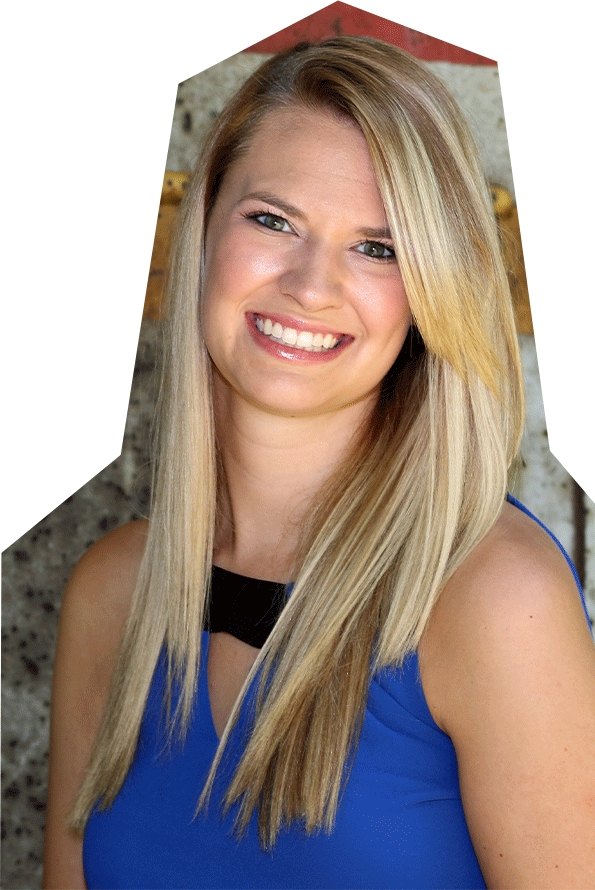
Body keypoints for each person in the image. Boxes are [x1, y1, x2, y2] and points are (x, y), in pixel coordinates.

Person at [43, 37, 595, 889]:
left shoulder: (492, 600)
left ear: (430, 292)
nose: (310, 285)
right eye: (273, 220)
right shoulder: (113, 591)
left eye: (378, 247)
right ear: (202, 235)